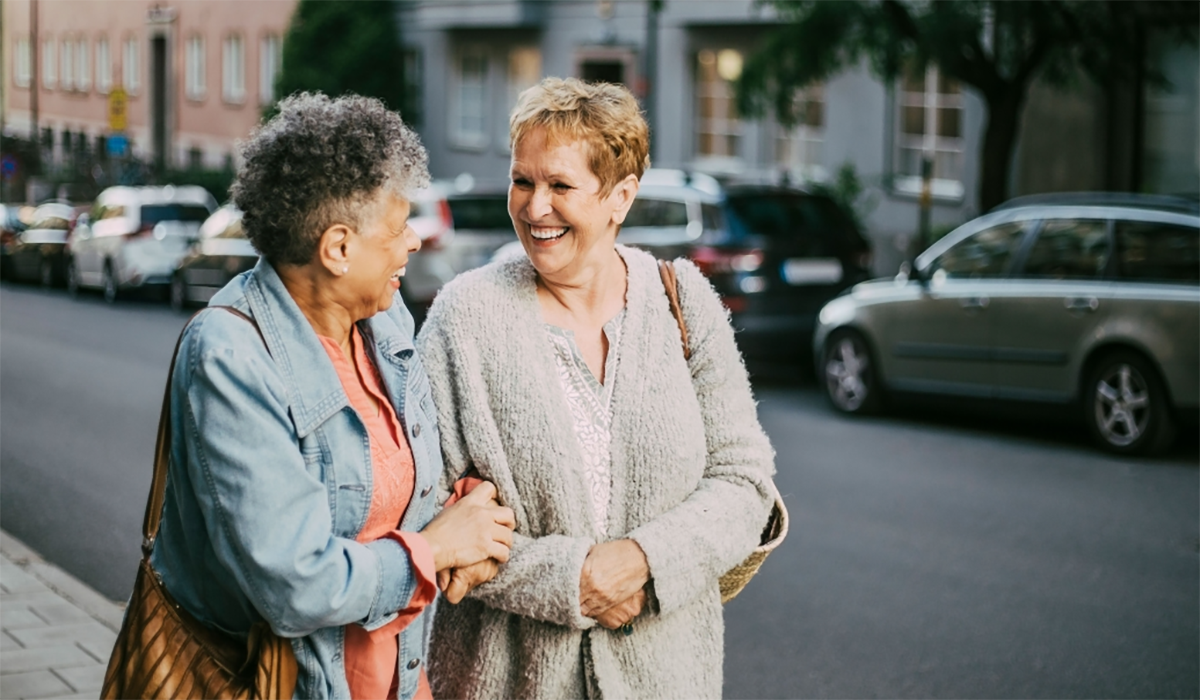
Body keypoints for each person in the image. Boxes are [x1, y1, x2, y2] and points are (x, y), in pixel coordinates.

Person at [418, 77, 777, 699]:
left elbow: (745, 482)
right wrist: (572, 580)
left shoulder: (683, 300)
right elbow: (425, 511)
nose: (534, 208)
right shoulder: (464, 317)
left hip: (668, 679)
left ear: (620, 197)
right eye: (522, 181)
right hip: (506, 680)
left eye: (560, 186)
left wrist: (640, 562)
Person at [149, 93, 515, 700]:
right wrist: (437, 547)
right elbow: (297, 586)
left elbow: (408, 475)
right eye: (399, 229)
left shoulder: (384, 315)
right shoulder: (230, 357)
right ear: (338, 248)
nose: (414, 243)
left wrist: (470, 518)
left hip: (399, 679)